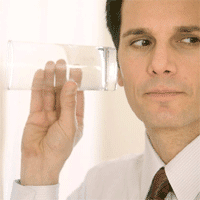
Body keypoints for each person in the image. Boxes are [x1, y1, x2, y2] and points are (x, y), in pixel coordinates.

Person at [11, 0, 200, 199]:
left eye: (190, 40)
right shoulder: (98, 188)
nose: (160, 64)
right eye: (142, 42)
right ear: (117, 67)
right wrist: (39, 175)